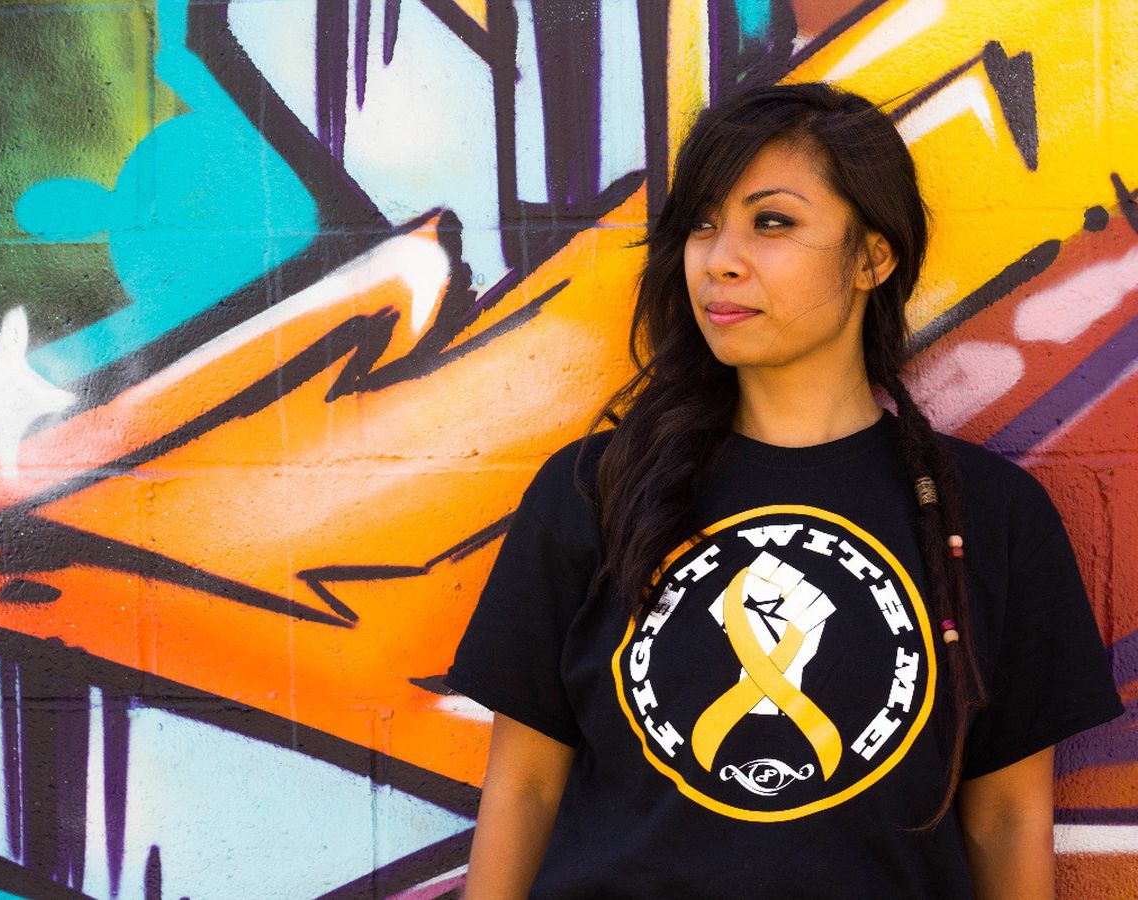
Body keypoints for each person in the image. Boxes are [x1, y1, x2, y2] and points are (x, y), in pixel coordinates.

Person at [443, 81, 1124, 899]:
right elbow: (524, 789)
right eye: (702, 224)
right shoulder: (595, 490)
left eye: (772, 223)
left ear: (872, 258)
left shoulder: (988, 515)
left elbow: (1007, 819)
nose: (719, 260)